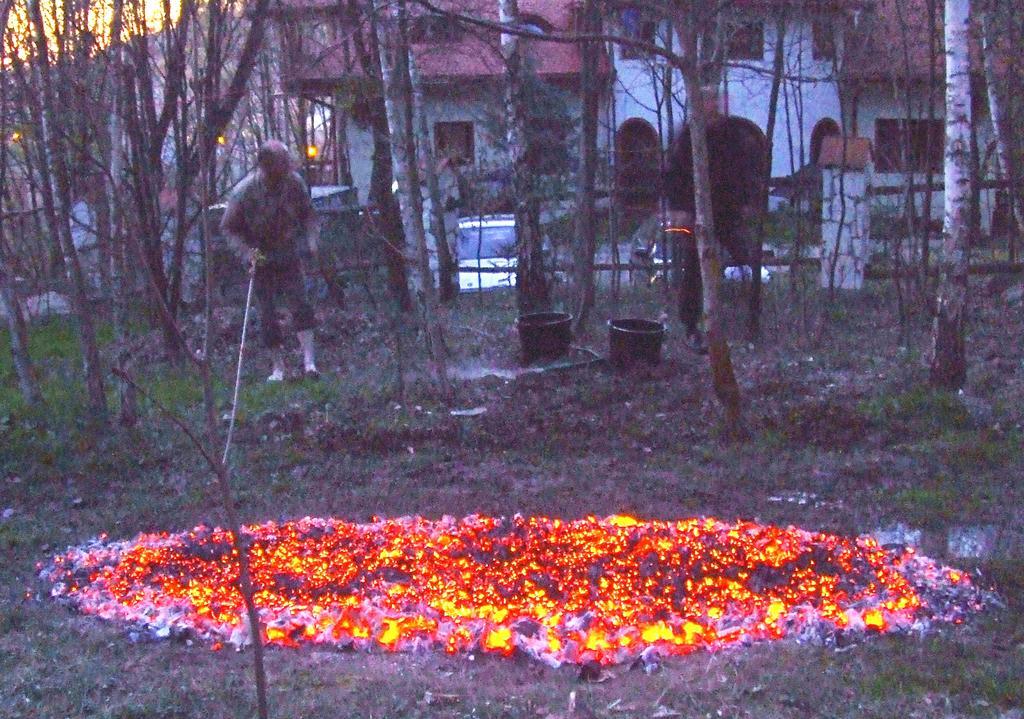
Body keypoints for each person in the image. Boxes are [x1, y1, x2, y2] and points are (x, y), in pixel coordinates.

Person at [663, 89, 765, 353]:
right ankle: (691, 327)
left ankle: (748, 318)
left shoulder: (732, 133)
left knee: (746, 259)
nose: (711, 105)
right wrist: (679, 208)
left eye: (713, 100)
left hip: (727, 211)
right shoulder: (687, 136)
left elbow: (745, 170)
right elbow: (674, 175)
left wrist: (746, 202)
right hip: (698, 214)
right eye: (705, 100)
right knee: (695, 268)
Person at [221, 140, 321, 381]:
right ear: (267, 167)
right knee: (266, 312)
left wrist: (312, 241)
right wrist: (246, 253)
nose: (286, 169)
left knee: (300, 303)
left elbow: (309, 215)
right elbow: (228, 228)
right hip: (260, 256)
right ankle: (278, 368)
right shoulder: (244, 192)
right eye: (281, 165)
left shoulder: (294, 183)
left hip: (287, 250)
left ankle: (309, 363)